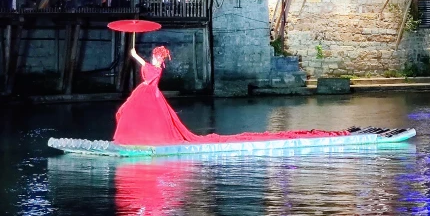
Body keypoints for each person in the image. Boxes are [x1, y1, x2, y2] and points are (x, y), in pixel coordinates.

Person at [114, 45, 347, 146]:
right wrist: (135, 55)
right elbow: (145, 67)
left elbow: (148, 70)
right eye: (155, 56)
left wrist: (136, 56)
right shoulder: (152, 66)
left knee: (152, 119)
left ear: (160, 58)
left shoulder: (157, 69)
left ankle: (146, 139)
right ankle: (139, 138)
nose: (155, 58)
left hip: (150, 95)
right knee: (138, 115)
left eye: (157, 56)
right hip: (145, 93)